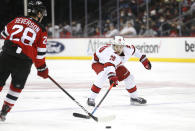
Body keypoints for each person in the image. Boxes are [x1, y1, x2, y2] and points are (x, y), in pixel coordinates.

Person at [0, 0, 49, 121]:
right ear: (38, 13)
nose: (42, 15)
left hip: (6, 56)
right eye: (41, 13)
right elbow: (40, 54)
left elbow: (3, 34)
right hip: (24, 62)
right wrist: (42, 69)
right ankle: (4, 111)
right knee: (16, 87)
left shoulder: (17, 20)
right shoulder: (41, 30)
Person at [87, 36, 151, 106]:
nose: (118, 49)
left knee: (129, 77)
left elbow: (136, 51)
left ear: (123, 46)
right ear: (113, 45)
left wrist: (144, 61)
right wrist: (112, 77)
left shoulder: (128, 49)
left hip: (115, 64)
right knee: (103, 75)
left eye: (120, 47)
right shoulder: (109, 53)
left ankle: (134, 98)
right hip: (99, 63)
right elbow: (109, 66)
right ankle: (91, 98)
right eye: (116, 47)